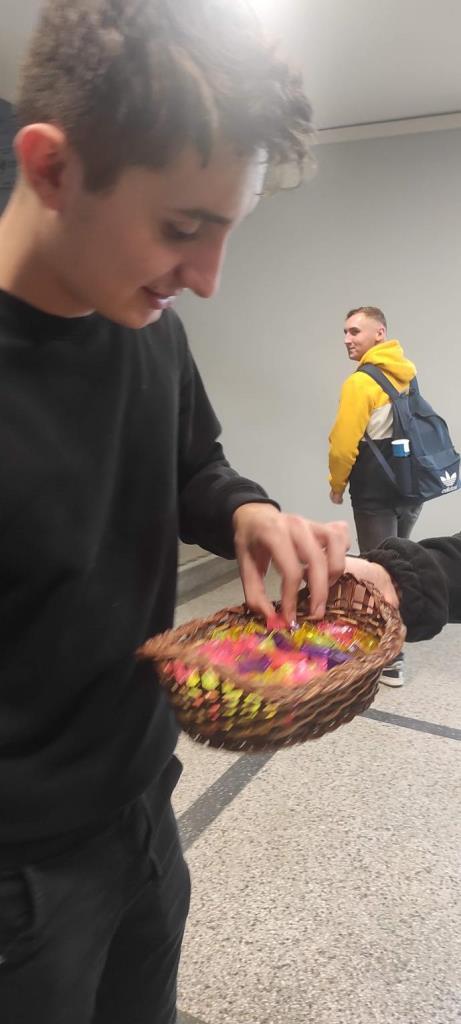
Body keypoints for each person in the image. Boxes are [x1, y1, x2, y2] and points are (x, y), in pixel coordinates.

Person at [0, 2, 351, 1022]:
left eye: (228, 230)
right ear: (51, 168)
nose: (207, 280)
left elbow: (194, 462)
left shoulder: (145, 321)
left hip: (145, 811)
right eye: (183, 229)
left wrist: (243, 511)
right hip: (20, 882)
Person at [329, 305, 422, 686]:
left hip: (376, 492)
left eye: (355, 331)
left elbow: (343, 445)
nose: (347, 340)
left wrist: (337, 484)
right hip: (411, 487)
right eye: (345, 332)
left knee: (377, 572)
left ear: (379, 333)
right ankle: (390, 643)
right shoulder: (406, 373)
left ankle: (391, 659)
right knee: (397, 564)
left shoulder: (360, 383)